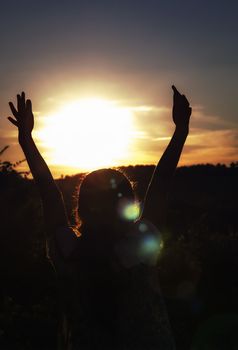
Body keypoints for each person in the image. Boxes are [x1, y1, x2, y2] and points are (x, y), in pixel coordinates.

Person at [8, 86, 192, 349]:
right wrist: (181, 130)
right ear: (130, 206)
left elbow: (49, 193)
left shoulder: (68, 251)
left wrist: (26, 139)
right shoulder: (140, 246)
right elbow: (161, 183)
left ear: (80, 208)